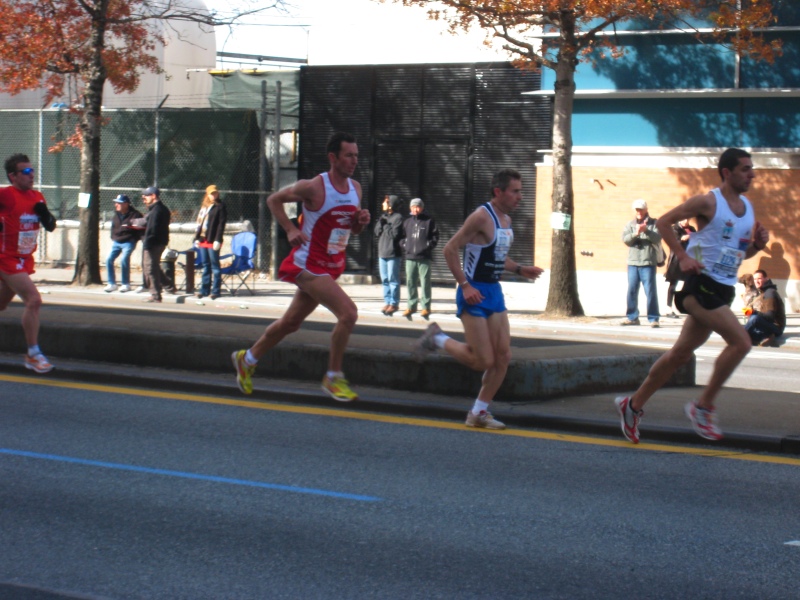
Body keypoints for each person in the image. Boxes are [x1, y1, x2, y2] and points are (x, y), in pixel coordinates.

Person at [615, 147, 769, 443]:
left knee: (680, 355)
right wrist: (683, 256)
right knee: (742, 342)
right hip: (699, 284)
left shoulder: (747, 208)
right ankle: (703, 407)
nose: (752, 174)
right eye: (745, 169)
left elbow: (738, 252)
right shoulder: (708, 202)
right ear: (727, 172)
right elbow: (663, 223)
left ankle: (632, 405)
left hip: (722, 289)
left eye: (752, 169)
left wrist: (758, 247)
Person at [231, 132, 370, 402]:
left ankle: (247, 359)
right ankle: (333, 378)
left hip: (330, 265)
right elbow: (274, 200)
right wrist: (290, 228)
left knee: (291, 323)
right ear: (333, 158)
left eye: (356, 155)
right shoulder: (314, 186)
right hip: (308, 263)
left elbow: (351, 229)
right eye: (348, 155)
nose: (354, 160)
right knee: (349, 314)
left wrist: (360, 223)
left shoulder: (356, 188)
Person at [413, 168, 543, 429]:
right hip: (473, 294)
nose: (520, 197)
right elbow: (450, 249)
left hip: (493, 292)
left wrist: (520, 269)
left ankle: (478, 413)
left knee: (503, 356)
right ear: (498, 192)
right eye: (515, 191)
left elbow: (495, 256)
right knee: (482, 360)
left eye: (521, 191)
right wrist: (465, 285)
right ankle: (436, 338)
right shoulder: (481, 216)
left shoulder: (505, 219)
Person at [0, 153, 57, 373]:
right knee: (33, 300)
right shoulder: (6, 195)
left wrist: (45, 215)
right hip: (6, 258)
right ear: (13, 176)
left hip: (24, 259)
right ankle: (33, 354)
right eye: (25, 171)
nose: (31, 174)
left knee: (2, 304)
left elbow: (51, 226)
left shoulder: (37, 196)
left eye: (32, 170)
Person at [621, 199, 662, 327]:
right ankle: (632, 317)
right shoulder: (630, 224)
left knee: (650, 291)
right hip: (633, 262)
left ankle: (653, 318)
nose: (638, 212)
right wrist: (636, 233)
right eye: (636, 209)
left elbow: (658, 238)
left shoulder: (654, 223)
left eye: (640, 209)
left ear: (646, 210)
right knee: (632, 290)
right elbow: (626, 240)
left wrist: (646, 231)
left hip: (648, 262)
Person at [401, 197, 439, 320]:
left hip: (424, 257)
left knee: (425, 282)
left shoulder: (429, 221)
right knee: (410, 282)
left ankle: (426, 307)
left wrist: (428, 246)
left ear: (422, 208)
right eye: (413, 206)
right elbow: (401, 237)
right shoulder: (407, 222)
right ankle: (411, 306)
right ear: (410, 208)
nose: (415, 209)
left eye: (417, 206)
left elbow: (435, 236)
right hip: (410, 257)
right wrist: (405, 246)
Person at [193, 184, 227, 300]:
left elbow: (221, 225)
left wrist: (218, 239)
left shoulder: (220, 206)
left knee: (215, 267)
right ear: (207, 194)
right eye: (212, 193)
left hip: (213, 240)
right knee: (206, 266)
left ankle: (216, 291)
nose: (214, 195)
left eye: (215, 193)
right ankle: (204, 290)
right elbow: (200, 223)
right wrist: (196, 238)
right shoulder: (204, 207)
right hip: (203, 239)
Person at [104, 194, 143, 293]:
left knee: (124, 259)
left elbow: (140, 229)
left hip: (129, 242)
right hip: (117, 241)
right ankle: (111, 283)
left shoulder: (135, 215)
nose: (116, 205)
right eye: (116, 203)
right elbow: (113, 227)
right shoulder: (116, 215)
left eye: (119, 203)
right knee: (109, 259)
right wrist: (114, 237)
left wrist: (134, 239)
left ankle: (126, 284)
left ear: (126, 204)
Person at [374, 194, 404, 316]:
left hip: (393, 253)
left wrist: (385, 225)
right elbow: (377, 232)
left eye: (385, 202)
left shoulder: (398, 218)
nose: (383, 204)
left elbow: (395, 235)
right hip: (382, 252)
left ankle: (394, 303)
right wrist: (381, 223)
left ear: (391, 204)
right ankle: (387, 301)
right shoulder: (383, 217)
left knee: (393, 279)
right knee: (384, 279)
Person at [140, 186, 171, 303]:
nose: (144, 199)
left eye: (146, 196)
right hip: (160, 241)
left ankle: (155, 294)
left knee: (149, 268)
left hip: (153, 243)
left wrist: (147, 243)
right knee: (154, 266)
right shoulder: (161, 209)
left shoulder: (156, 210)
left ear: (153, 196)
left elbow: (152, 229)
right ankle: (168, 285)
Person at [743, 269, 785, 347]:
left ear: (766, 279)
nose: (756, 281)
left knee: (755, 318)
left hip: (776, 327)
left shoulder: (770, 293)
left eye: (759, 278)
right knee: (744, 326)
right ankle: (766, 336)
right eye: (755, 279)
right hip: (766, 326)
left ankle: (739, 336)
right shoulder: (763, 292)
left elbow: (770, 316)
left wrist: (753, 312)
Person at [664, 218, 696, 317]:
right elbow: (673, 243)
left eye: (688, 219)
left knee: (688, 284)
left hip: (690, 259)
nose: (686, 221)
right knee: (673, 284)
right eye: (684, 219)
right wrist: (682, 239)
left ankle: (684, 306)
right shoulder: (675, 229)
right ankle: (668, 307)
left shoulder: (691, 229)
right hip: (677, 261)